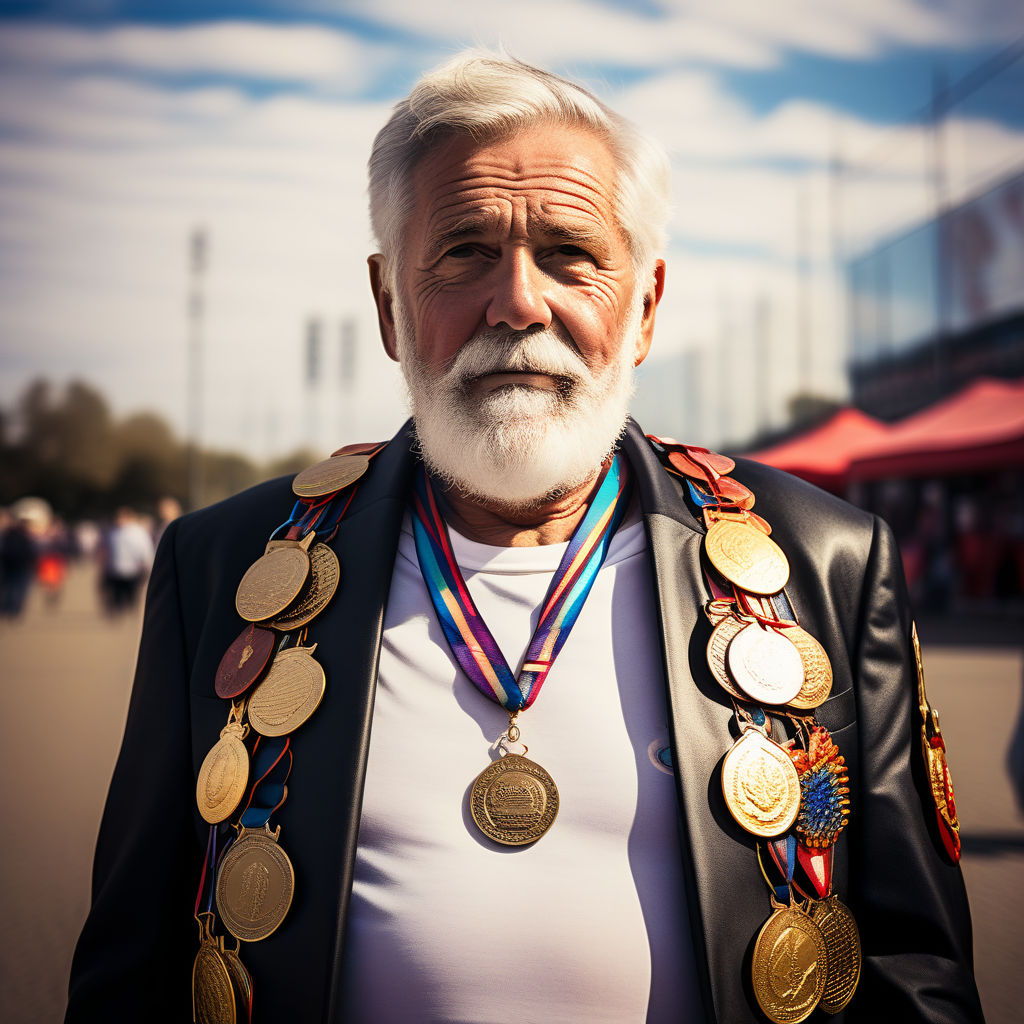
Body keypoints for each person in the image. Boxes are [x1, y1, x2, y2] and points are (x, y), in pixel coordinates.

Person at [66, 52, 983, 1024]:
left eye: (570, 253)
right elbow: (134, 974)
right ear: (387, 304)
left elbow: (912, 972)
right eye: (462, 250)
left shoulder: (825, 563)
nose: (517, 302)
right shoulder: (225, 567)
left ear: (644, 308)